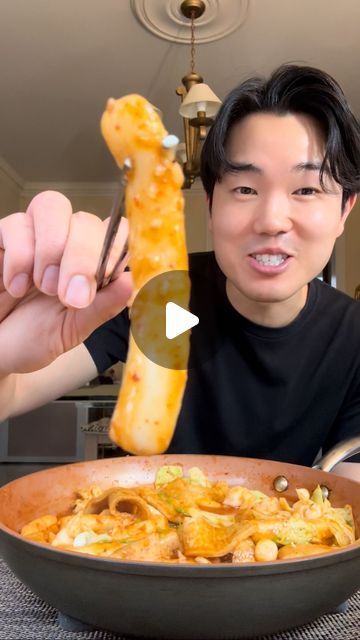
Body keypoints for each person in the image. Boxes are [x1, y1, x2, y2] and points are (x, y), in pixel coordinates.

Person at [0, 64, 359, 480]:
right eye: (244, 189)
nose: (272, 220)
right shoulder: (151, 292)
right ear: (210, 207)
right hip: (142, 534)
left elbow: (350, 508)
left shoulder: (354, 336)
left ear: (343, 212)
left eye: (307, 189)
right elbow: (10, 396)